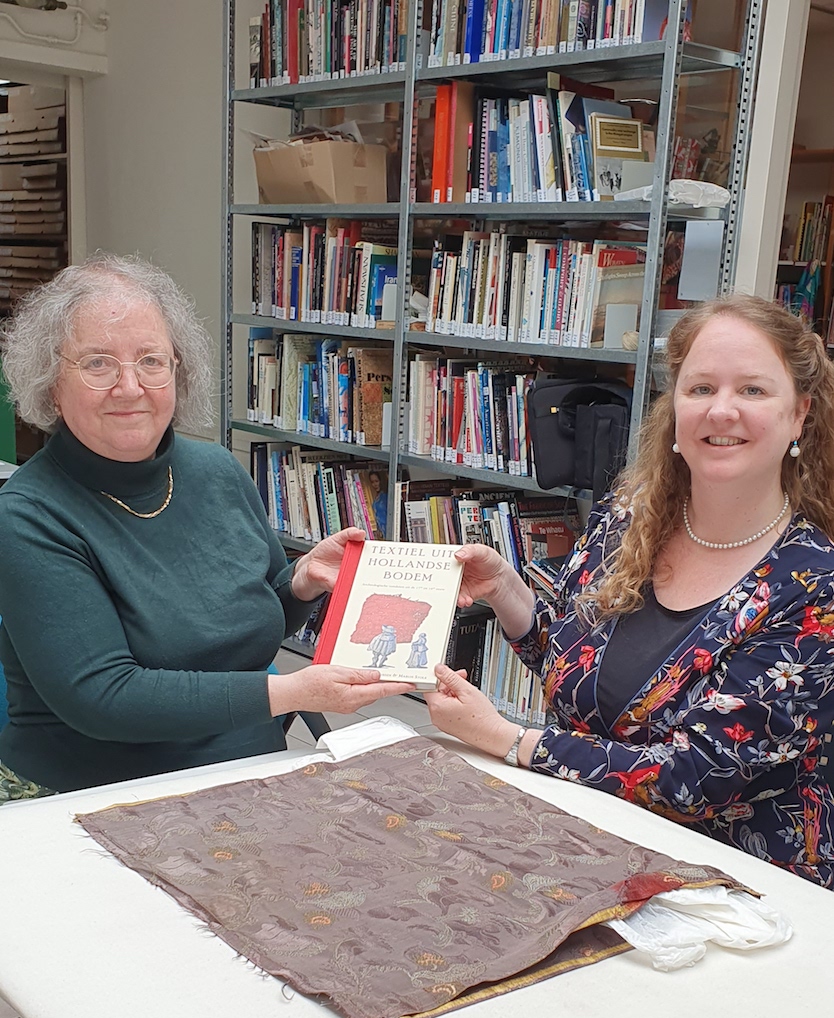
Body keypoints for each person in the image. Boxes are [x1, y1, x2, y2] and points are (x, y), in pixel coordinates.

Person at [425, 294, 834, 888]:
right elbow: (568, 665)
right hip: (586, 850)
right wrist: (505, 591)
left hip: (732, 893)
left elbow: (695, 780)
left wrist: (509, 740)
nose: (721, 411)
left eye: (752, 390)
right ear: (674, 412)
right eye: (699, 389)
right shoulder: (630, 522)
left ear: (799, 415)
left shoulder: (814, 585)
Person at [0, 253, 413, 800]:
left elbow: (251, 620)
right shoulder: (27, 515)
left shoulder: (214, 470)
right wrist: (285, 691)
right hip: (97, 799)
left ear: (178, 370)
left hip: (246, 777)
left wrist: (302, 581)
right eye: (98, 364)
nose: (129, 386)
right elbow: (104, 697)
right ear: (52, 384)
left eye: (151, 360)